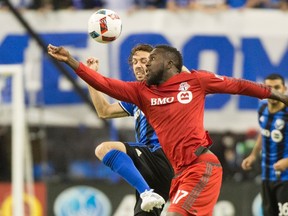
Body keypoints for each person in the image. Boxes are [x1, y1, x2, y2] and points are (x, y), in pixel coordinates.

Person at [47, 44, 288, 216]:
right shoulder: (141, 93)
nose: (144, 66)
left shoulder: (195, 81)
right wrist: (71, 60)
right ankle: (146, 192)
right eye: (139, 62)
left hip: (200, 167)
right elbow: (105, 86)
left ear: (170, 64)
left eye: (150, 60)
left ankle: (147, 192)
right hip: (177, 173)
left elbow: (239, 86)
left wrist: (279, 96)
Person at [86, 44, 174, 215]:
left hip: (161, 154)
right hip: (148, 166)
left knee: (105, 148)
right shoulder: (137, 95)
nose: (138, 65)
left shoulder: (166, 88)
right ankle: (147, 192)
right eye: (134, 62)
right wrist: (91, 77)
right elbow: (104, 111)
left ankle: (145, 192)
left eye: (144, 61)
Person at [241, 73, 288, 216]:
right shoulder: (262, 108)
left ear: (284, 89)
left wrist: (287, 161)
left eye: (277, 87)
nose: (273, 92)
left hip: (286, 177)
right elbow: (264, 131)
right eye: (268, 88)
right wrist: (253, 155)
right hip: (266, 175)